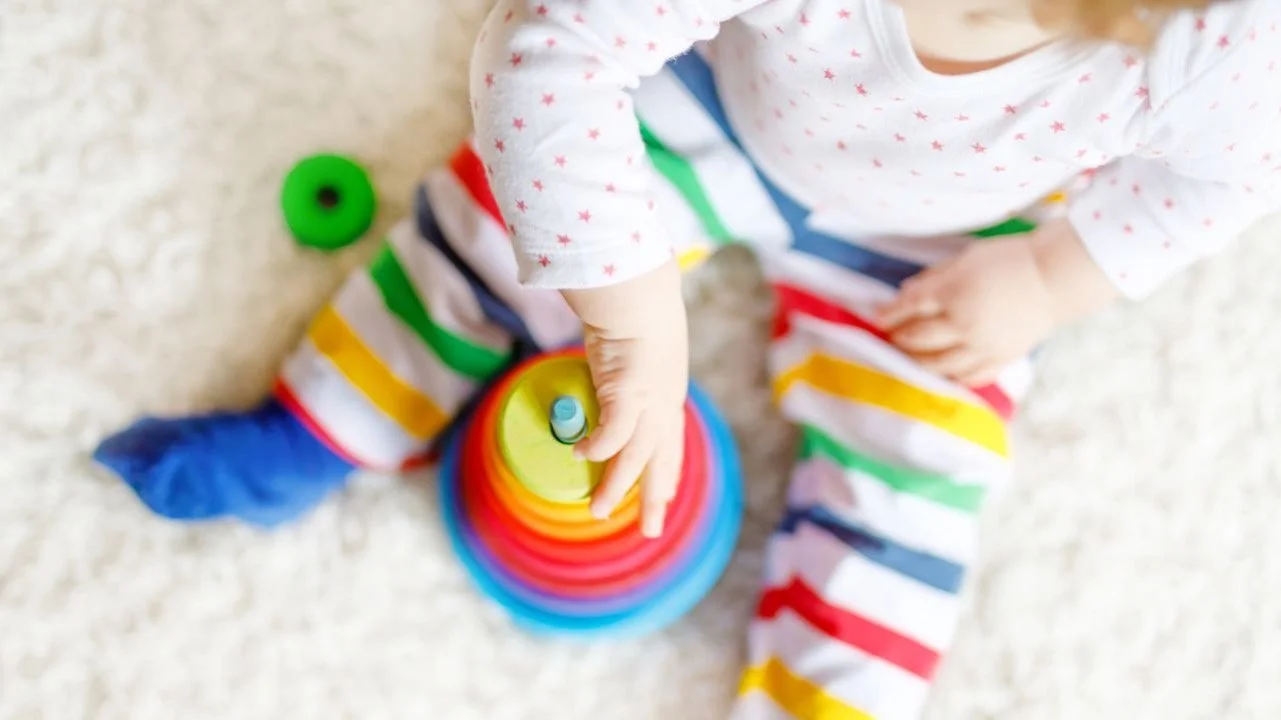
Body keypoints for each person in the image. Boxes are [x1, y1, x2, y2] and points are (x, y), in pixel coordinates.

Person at [95, 0, 1281, 716]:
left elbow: (1223, 178)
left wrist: (1046, 280)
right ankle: (327, 418)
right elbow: (550, 56)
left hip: (957, 244)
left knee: (918, 481)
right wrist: (632, 323)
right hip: (716, 104)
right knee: (504, 229)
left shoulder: (1220, 43)